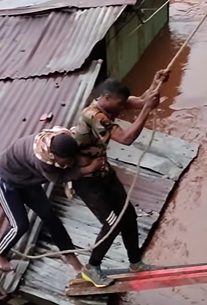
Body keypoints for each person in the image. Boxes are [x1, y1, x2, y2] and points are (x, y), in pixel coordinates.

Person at [71, 71, 168, 288]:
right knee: (112, 223)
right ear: (106, 98)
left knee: (128, 215)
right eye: (120, 103)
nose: (122, 106)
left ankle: (135, 263)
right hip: (86, 178)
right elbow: (126, 138)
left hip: (103, 171)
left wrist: (156, 81)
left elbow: (142, 100)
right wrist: (146, 110)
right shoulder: (94, 115)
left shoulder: (110, 104)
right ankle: (92, 268)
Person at [0, 126, 106, 273]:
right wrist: (88, 169)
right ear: (53, 155)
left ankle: (69, 256)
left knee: (49, 216)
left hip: (27, 179)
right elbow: (60, 178)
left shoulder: (61, 137)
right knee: (20, 225)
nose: (68, 164)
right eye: (64, 162)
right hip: (5, 180)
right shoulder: (42, 161)